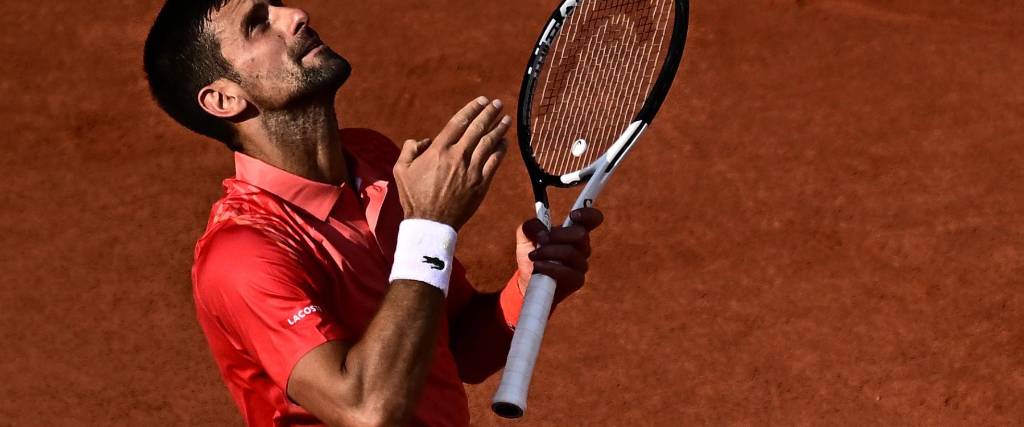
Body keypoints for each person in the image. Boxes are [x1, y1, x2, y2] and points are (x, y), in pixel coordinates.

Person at [143, 1, 604, 426]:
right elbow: (366, 409)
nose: (297, 15)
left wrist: (528, 287)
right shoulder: (241, 253)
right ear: (224, 99)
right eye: (258, 24)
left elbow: (458, 346)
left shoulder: (374, 159)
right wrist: (429, 227)